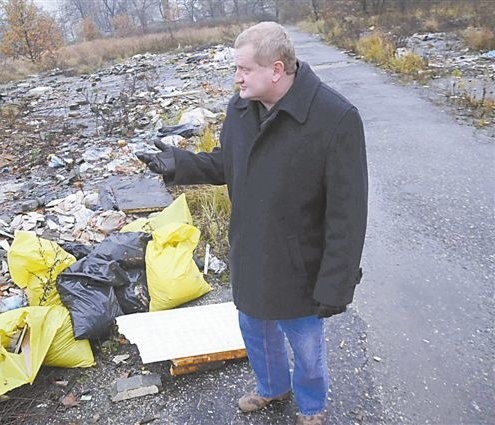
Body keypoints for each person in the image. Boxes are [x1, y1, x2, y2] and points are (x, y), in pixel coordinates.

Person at [137, 21, 367, 425]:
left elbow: (348, 214)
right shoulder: (240, 108)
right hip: (251, 251)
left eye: (244, 69)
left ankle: (312, 407)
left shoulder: (335, 119)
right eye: (236, 69)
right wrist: (180, 162)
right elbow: (229, 162)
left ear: (276, 70)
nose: (237, 78)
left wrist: (336, 283)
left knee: (307, 349)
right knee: (257, 336)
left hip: (301, 264)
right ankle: (272, 387)